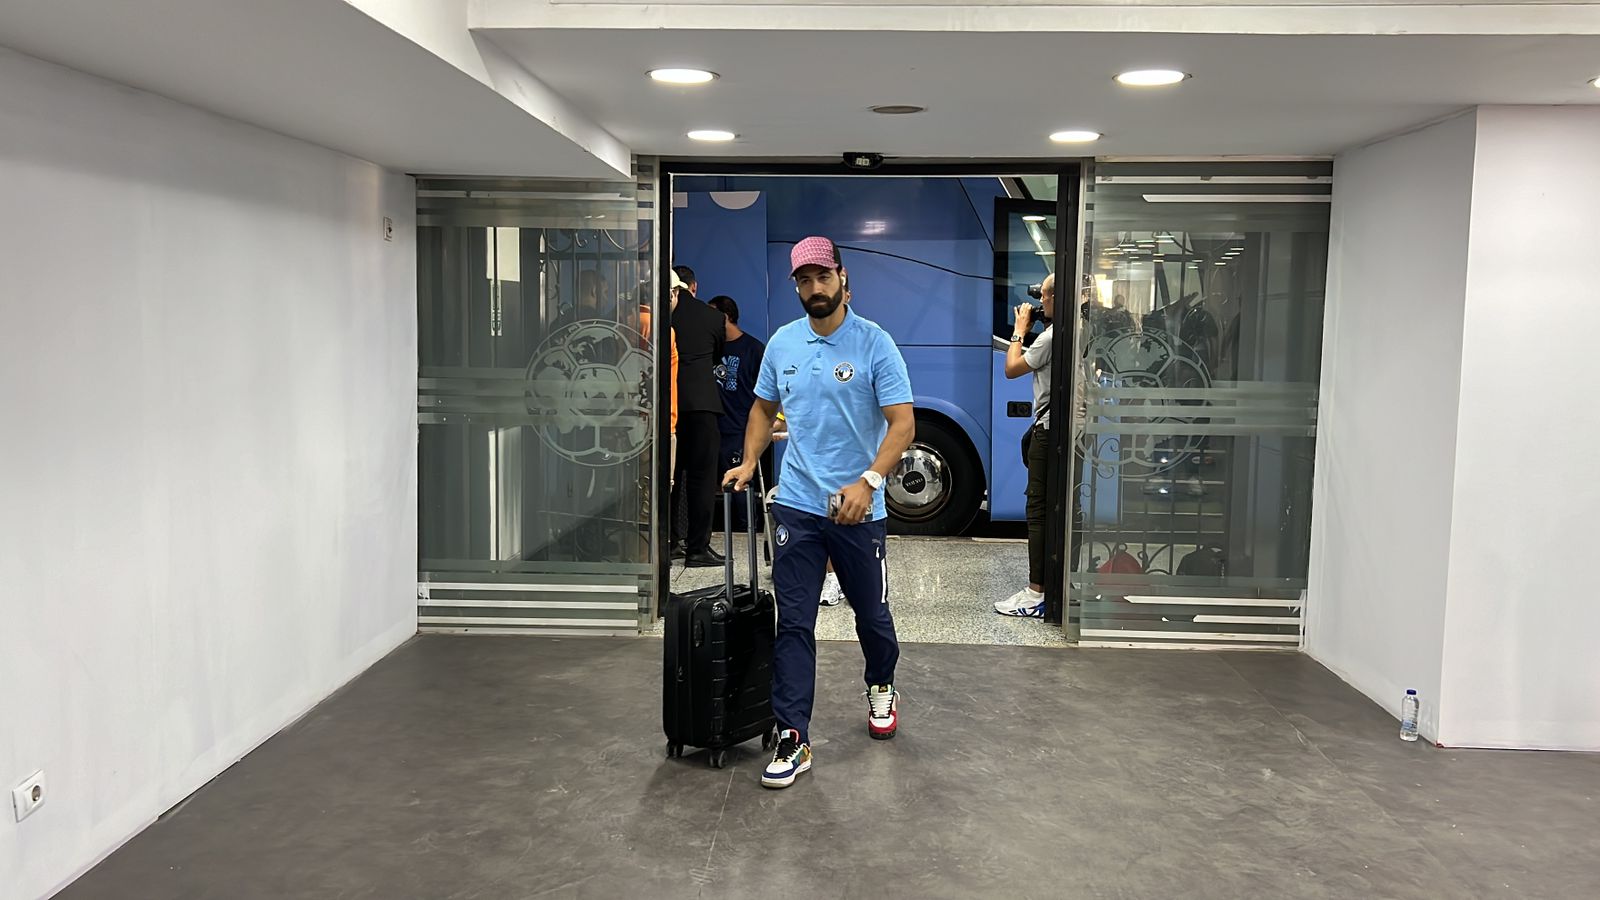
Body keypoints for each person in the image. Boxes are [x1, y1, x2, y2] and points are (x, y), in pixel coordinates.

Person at [724, 236, 915, 790]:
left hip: (860, 509)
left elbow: (903, 423)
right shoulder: (783, 344)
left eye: (822, 277)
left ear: (842, 277)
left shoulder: (875, 343)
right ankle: (793, 735)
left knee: (872, 617)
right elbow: (763, 409)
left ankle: (881, 684)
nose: (814, 288)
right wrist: (749, 460)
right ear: (797, 287)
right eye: (804, 281)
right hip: (798, 506)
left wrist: (869, 481)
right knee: (794, 622)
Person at [993, 273, 1085, 617]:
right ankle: (1061, 585)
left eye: (1044, 296)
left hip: (1049, 432)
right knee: (1067, 508)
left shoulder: (1050, 337)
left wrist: (1019, 329)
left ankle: (1037, 592)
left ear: (1057, 299)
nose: (1040, 301)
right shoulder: (1080, 330)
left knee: (1039, 510)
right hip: (1075, 431)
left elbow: (1011, 368)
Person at [669, 264, 727, 567]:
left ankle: (667, 542)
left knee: (667, 476)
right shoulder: (713, 317)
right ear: (693, 286)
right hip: (702, 404)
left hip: (667, 403)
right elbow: (716, 356)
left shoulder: (660, 313)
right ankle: (697, 548)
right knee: (702, 478)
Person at [706, 296, 766, 534]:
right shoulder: (710, 348)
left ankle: (745, 535)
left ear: (725, 317)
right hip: (712, 427)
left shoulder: (754, 349)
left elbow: (769, 396)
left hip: (739, 430)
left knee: (739, 487)